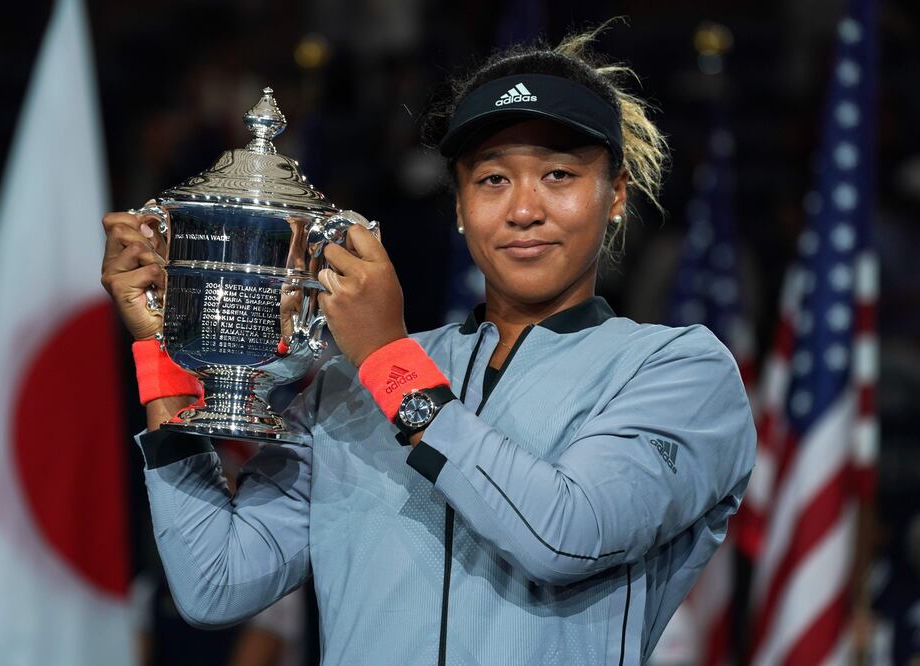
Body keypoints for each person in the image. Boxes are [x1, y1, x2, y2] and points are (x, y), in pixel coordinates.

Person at [101, 29, 755, 665]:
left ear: (614, 196)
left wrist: (388, 362)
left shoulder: (680, 373)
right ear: (461, 206)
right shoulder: (344, 385)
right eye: (493, 179)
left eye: (558, 175)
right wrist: (167, 358)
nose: (524, 209)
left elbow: (565, 536)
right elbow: (217, 583)